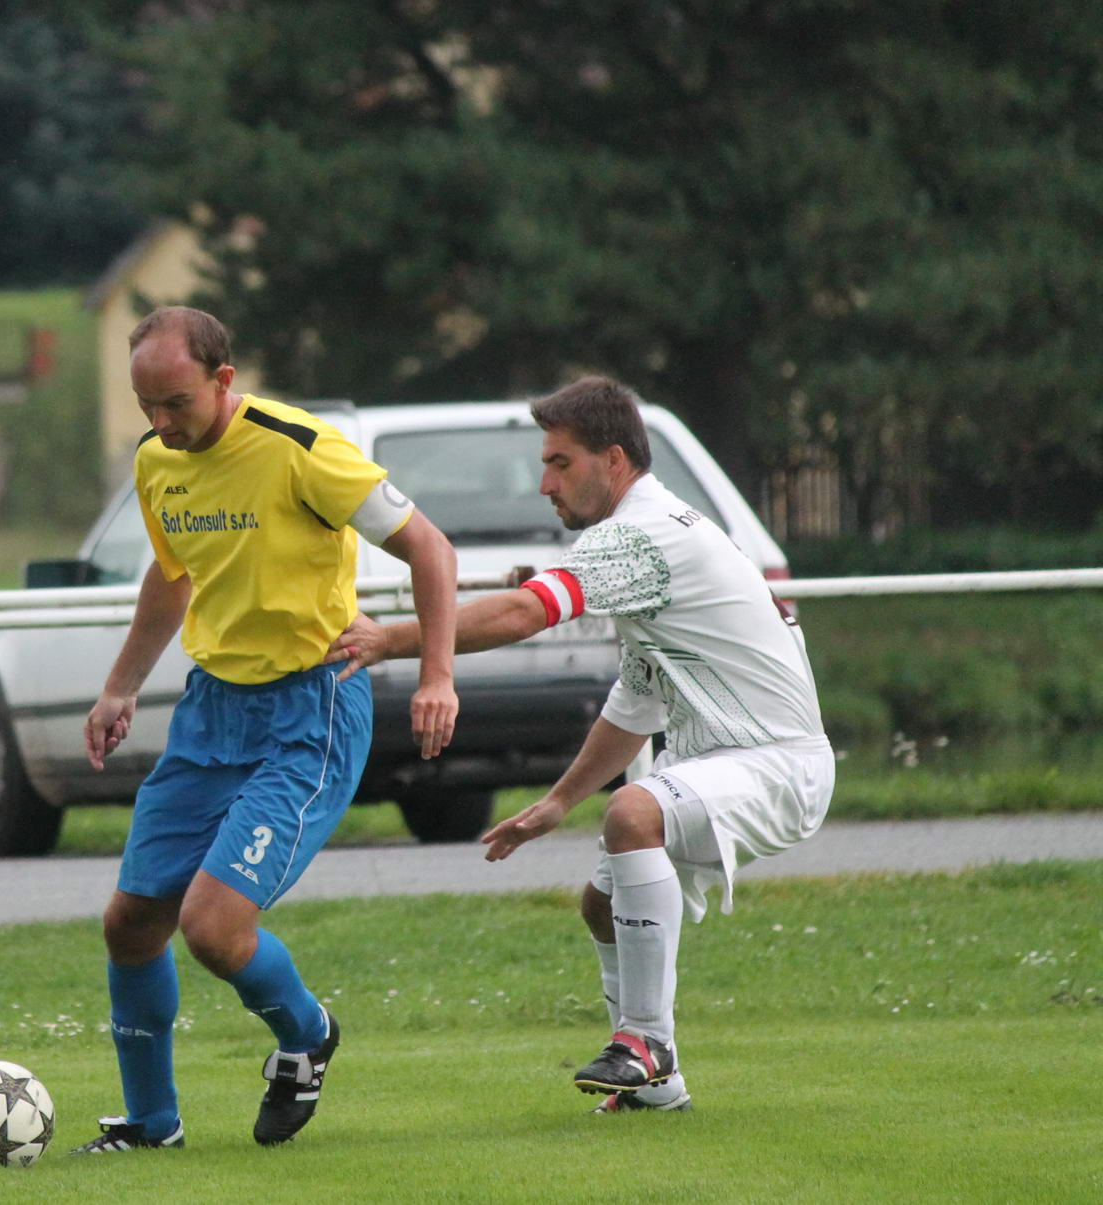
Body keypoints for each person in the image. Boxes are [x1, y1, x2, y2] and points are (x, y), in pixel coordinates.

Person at [328, 374, 833, 1113]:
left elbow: (524, 611)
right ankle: (658, 1089)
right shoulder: (653, 539)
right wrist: (558, 802)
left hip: (776, 763)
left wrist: (391, 638)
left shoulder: (639, 535)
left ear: (615, 460)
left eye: (560, 463)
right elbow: (635, 704)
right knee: (602, 904)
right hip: (724, 763)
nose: (544, 484)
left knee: (632, 814)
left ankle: (646, 1043)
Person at [74, 306, 461, 1153]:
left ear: (224, 379)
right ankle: (152, 1123)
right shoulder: (157, 462)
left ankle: (309, 1033)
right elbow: (172, 578)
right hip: (212, 710)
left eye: (176, 402)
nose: (162, 423)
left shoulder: (302, 447)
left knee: (212, 927)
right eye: (146, 406)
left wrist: (437, 674)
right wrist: (119, 687)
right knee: (131, 921)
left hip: (310, 712)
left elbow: (431, 549)